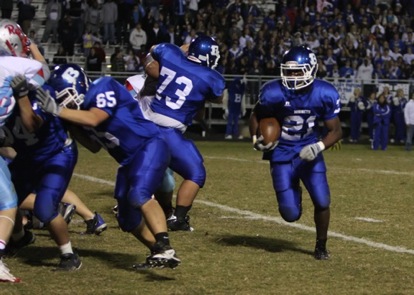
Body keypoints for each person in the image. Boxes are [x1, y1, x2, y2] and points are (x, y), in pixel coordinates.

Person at [36, 64, 180, 269]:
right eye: (60, 99)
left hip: (149, 145)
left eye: (66, 95)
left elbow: (96, 118)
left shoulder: (103, 86)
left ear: (78, 85)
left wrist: (59, 111)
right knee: (127, 219)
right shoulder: (80, 113)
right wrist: (70, 126)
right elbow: (94, 147)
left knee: (139, 194)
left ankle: (165, 246)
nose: (65, 102)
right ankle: (158, 251)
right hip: (128, 160)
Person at [249, 45, 342, 260]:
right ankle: (295, 193)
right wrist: (256, 139)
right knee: (290, 215)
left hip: (309, 152)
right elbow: (256, 116)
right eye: (289, 71)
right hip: (281, 154)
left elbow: (335, 130)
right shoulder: (273, 91)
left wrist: (318, 147)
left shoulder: (324, 92)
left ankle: (321, 245)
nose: (292, 76)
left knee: (322, 201)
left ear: (311, 69)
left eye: (298, 71)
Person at [144, 35, 225, 231]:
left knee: (146, 171)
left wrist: (181, 51)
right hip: (168, 130)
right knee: (196, 173)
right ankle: (178, 219)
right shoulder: (211, 78)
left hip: (146, 123)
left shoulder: (171, 54)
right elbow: (218, 99)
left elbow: (153, 50)